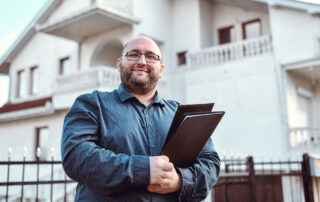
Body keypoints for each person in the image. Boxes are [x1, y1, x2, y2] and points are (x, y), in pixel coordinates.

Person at [61, 36, 220, 201]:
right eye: (133, 54)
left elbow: (210, 162)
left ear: (161, 69)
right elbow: (76, 156)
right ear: (119, 63)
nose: (142, 61)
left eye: (151, 56)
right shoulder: (91, 104)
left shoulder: (181, 114)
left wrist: (180, 180)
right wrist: (144, 170)